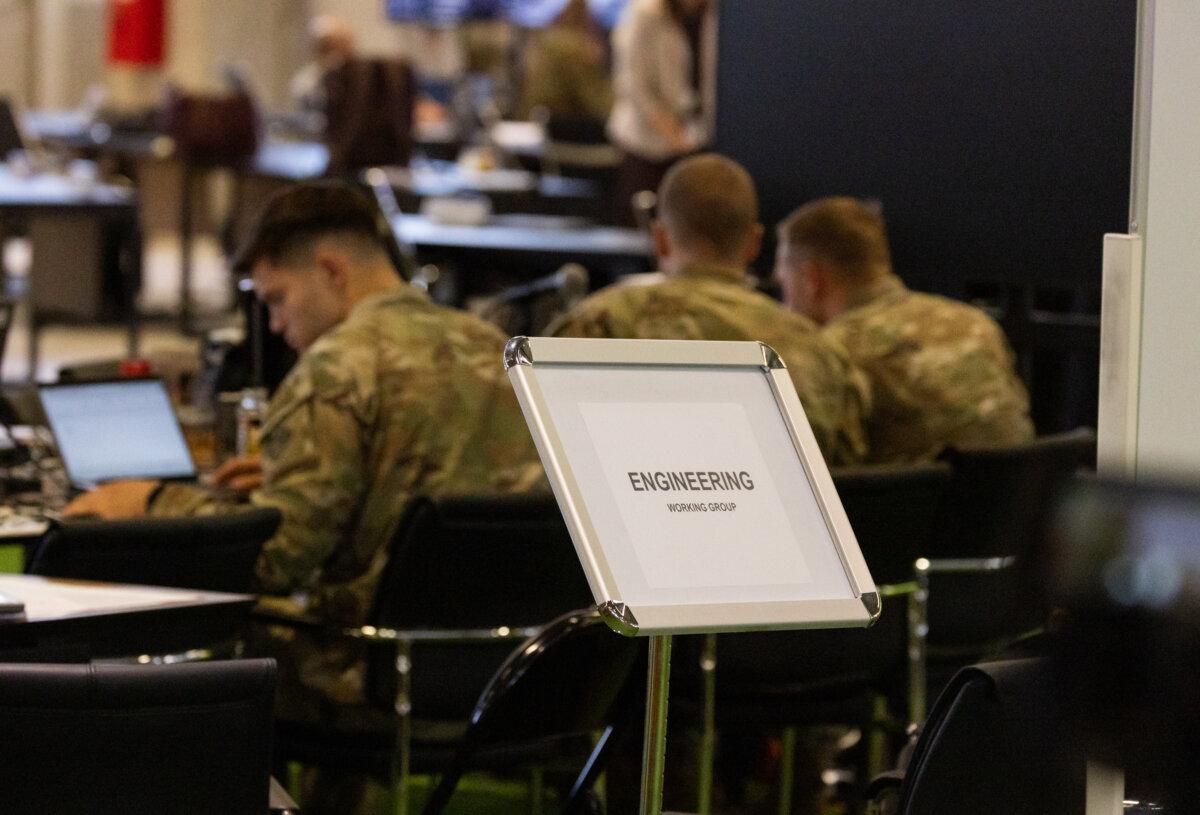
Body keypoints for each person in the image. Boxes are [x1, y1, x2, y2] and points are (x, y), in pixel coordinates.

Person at [65, 182, 544, 809]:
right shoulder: (502, 353)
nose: (277, 325)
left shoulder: (335, 371)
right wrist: (284, 478)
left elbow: (276, 559)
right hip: (515, 674)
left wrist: (151, 501)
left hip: (366, 677)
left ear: (331, 269)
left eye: (277, 299)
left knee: (169, 661)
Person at [548, 153, 871, 466]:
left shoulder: (596, 327)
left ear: (660, 238)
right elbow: (850, 484)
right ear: (755, 243)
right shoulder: (821, 351)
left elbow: (548, 459)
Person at [775, 196, 1035, 464]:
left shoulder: (830, 352)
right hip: (1019, 501)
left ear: (811, 279)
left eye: (784, 282)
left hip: (914, 503)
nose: (785, 302)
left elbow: (813, 470)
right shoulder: (975, 324)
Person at [607, 0, 713, 224]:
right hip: (645, 146)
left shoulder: (712, 17)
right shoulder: (645, 16)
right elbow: (636, 88)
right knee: (640, 229)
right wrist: (675, 138)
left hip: (692, 143)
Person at [519, 0, 613, 124]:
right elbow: (600, 105)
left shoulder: (550, 41)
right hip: (559, 129)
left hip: (533, 121)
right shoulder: (572, 49)